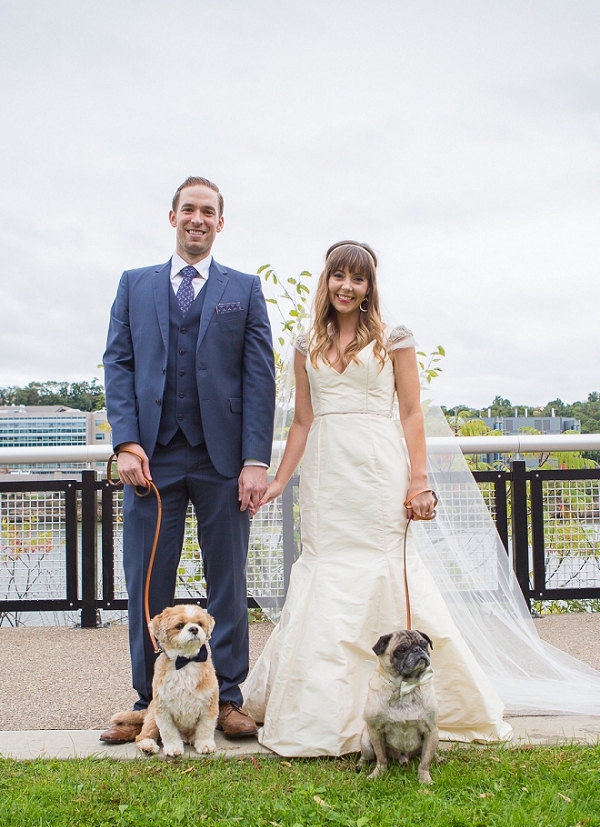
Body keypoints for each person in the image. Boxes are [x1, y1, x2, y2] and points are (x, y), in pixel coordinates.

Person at [242, 240, 512, 756]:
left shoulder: (395, 339)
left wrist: (419, 479)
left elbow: (411, 413)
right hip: (327, 474)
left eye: (358, 279)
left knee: (385, 564)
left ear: (369, 287)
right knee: (328, 569)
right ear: (327, 281)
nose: (347, 286)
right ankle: (323, 712)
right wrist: (279, 480)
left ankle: (412, 698)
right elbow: (302, 420)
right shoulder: (306, 344)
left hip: (378, 469)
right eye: (338, 276)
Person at [100, 176, 276, 742]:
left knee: (227, 582)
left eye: (208, 212)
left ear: (220, 223)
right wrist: (126, 442)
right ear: (171, 216)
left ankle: (225, 699)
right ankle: (146, 703)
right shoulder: (134, 284)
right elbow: (119, 364)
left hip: (222, 459)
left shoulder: (243, 289)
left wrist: (255, 459)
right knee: (148, 581)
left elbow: (259, 380)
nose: (197, 219)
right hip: (151, 459)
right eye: (188, 210)